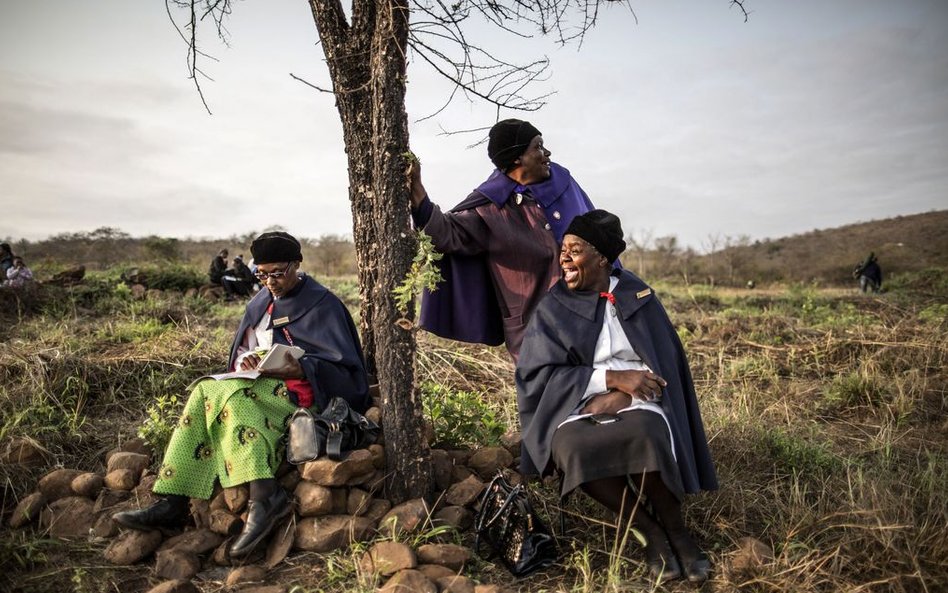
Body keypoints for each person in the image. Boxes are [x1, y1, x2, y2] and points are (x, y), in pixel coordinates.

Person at [114, 232, 370, 557]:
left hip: (304, 392)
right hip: (259, 382)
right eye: (262, 274)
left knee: (236, 396)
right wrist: (247, 360)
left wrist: (302, 369)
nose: (270, 281)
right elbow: (245, 349)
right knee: (204, 389)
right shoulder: (259, 301)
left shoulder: (323, 304)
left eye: (278, 273)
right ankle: (174, 500)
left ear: (297, 265)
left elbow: (347, 369)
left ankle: (265, 497)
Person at [516, 210, 718, 584]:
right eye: (563, 250)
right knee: (574, 447)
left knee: (646, 437)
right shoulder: (552, 307)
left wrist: (628, 390)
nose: (564, 259)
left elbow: (664, 359)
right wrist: (607, 379)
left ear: (602, 258)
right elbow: (536, 375)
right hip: (576, 401)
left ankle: (678, 532)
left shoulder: (637, 295)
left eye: (574, 250)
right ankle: (648, 532)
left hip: (640, 397)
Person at [409, 119, 599, 361]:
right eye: (538, 146)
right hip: (534, 329)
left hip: (588, 314)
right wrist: (416, 189)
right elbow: (446, 233)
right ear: (518, 158)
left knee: (599, 385)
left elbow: (598, 235)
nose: (547, 153)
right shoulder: (489, 207)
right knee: (550, 392)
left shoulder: (563, 183)